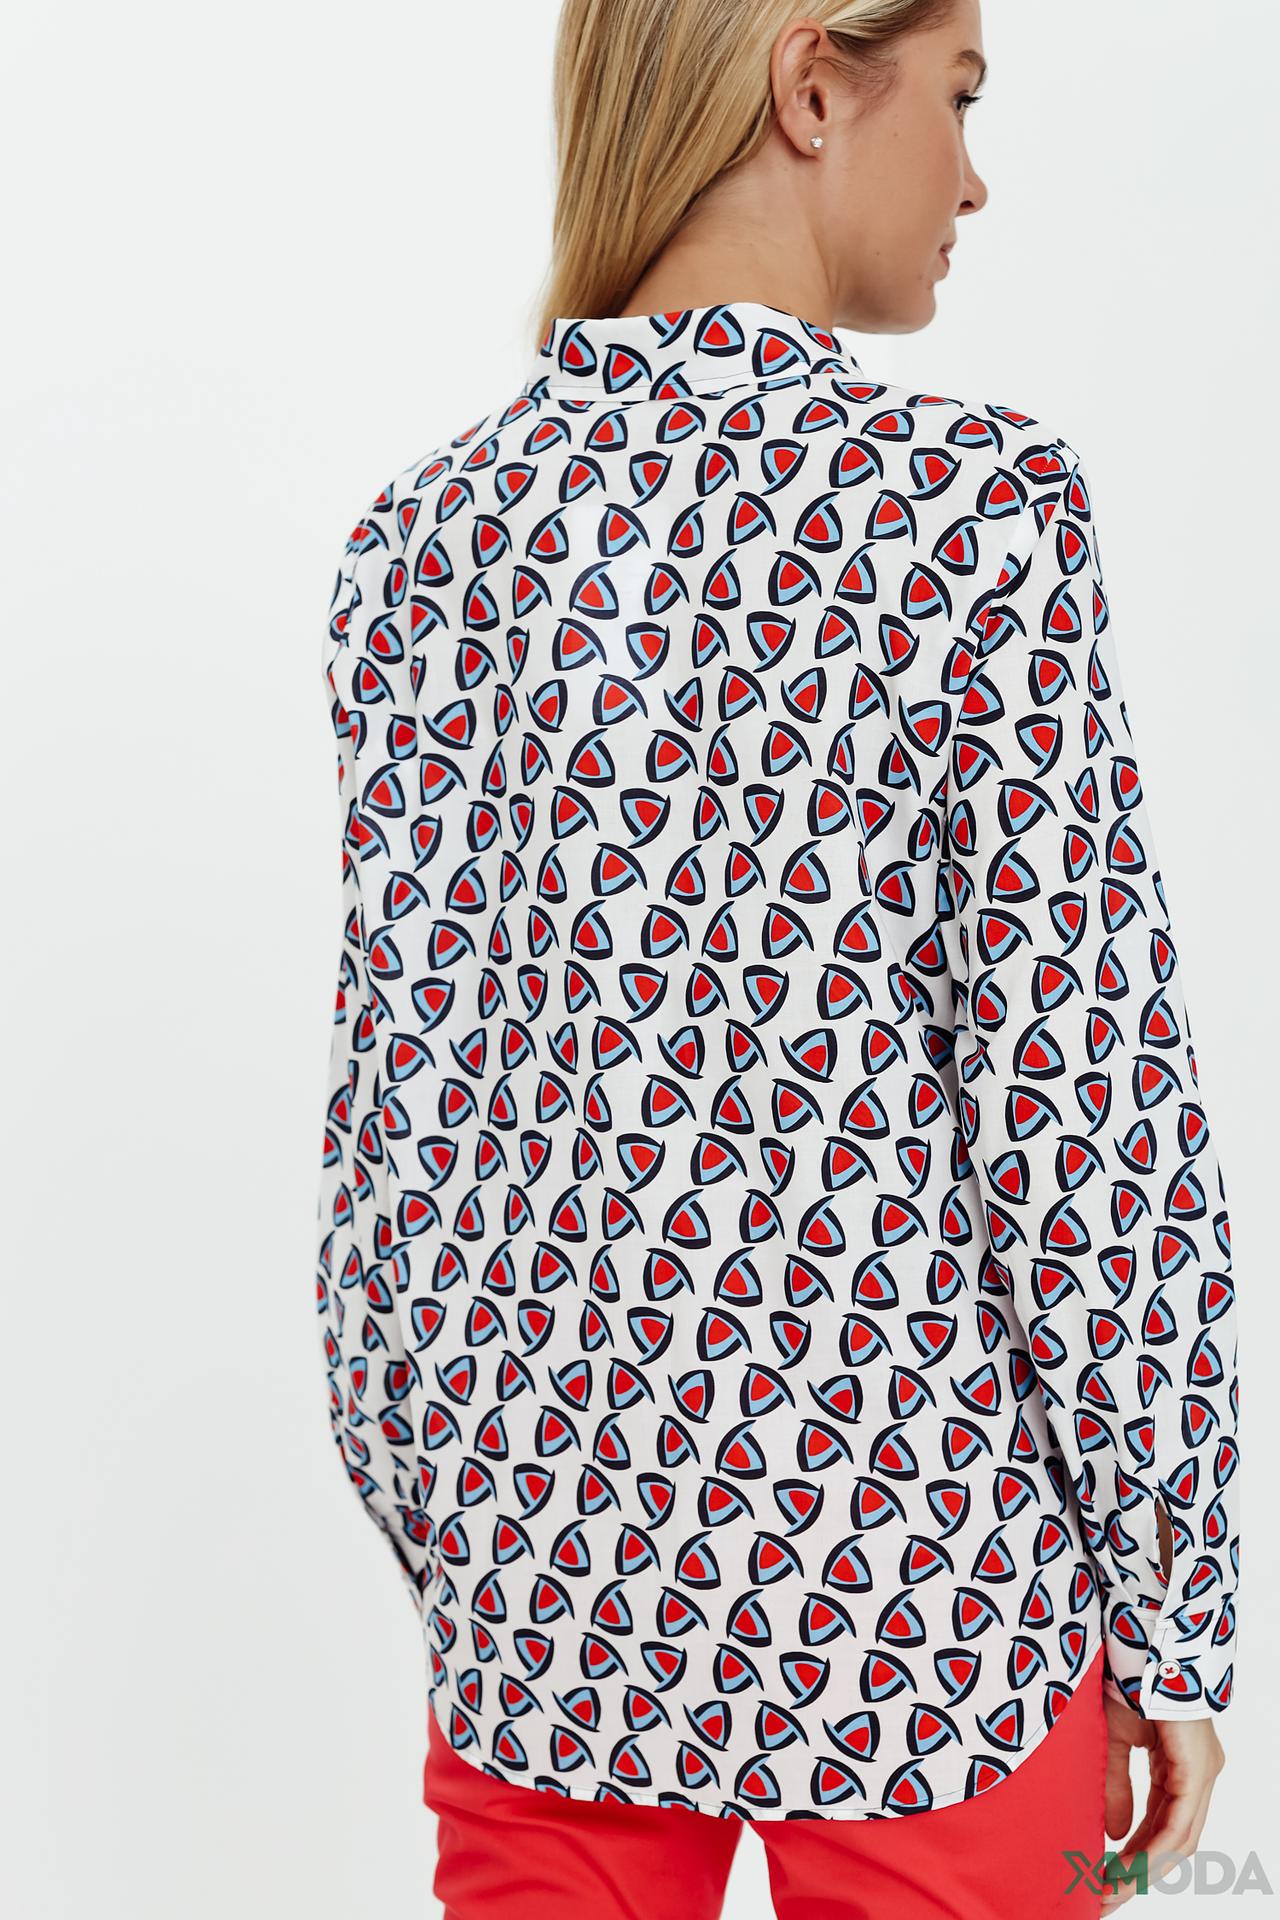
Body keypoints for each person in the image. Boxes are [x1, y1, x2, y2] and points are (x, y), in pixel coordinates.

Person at [314, 2, 1239, 1914]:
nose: (974, 179)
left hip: (550, 1613)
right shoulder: (970, 518)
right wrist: (1167, 1614)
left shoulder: (423, 546)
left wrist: (480, 1565)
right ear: (814, 87)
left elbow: (391, 1161)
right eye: (958, 98)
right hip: (935, 1622)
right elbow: (1090, 1118)